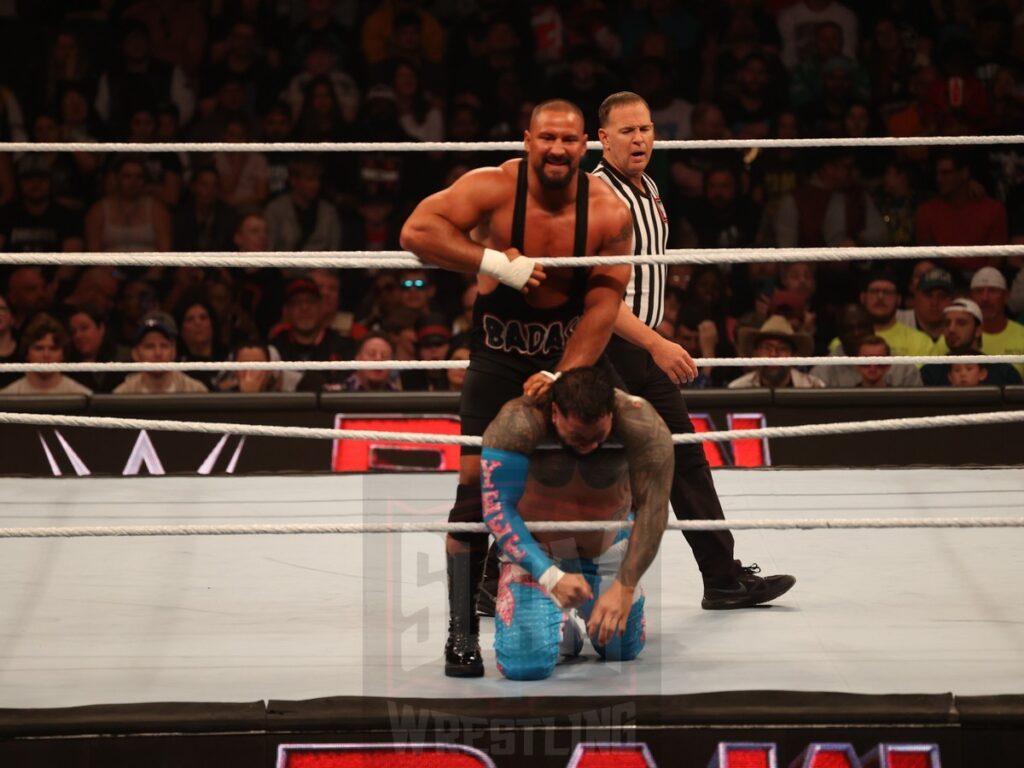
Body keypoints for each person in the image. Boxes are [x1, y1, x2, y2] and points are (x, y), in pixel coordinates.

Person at [399, 98, 635, 678]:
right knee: (471, 495)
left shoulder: (608, 211)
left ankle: (585, 589)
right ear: (527, 138)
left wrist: (563, 375)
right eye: (547, 138)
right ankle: (460, 635)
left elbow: (605, 303)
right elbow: (417, 231)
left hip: (567, 362)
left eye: (570, 141)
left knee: (594, 470)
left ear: (588, 146)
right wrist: (495, 263)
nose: (558, 149)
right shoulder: (493, 187)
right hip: (498, 359)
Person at [591, 92, 795, 609]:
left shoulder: (650, 187)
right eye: (627, 131)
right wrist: (659, 342)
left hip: (642, 348)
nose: (639, 139)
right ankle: (497, 577)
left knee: (686, 459)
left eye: (646, 128)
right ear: (603, 138)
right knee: (586, 470)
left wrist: (657, 337)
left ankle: (723, 578)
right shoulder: (594, 196)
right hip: (602, 351)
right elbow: (592, 296)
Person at [480, 367, 672, 680]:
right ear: (555, 412)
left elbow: (654, 507)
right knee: (524, 667)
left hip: (608, 546)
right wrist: (549, 575)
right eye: (577, 437)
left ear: (611, 412)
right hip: (540, 551)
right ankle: (556, 621)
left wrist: (625, 585)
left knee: (620, 652)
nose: (589, 447)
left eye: (598, 437)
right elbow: (496, 507)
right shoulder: (517, 423)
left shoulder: (641, 422)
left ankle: (606, 591)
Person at [922, 298, 1022, 387]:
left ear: (978, 330)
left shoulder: (1004, 373)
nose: (951, 329)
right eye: (947, 323)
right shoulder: (930, 373)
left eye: (961, 323)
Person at [113, 311, 207, 394]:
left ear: (173, 351)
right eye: (149, 346)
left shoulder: (195, 391)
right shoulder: (122, 393)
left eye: (164, 346)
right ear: (135, 353)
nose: (158, 353)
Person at [0, 313, 92, 396]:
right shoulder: (6, 397)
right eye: (39, 348)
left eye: (53, 349)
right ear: (27, 353)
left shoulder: (83, 396)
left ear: (63, 354)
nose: (46, 355)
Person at [730, 315, 826, 389]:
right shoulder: (738, 388)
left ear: (793, 355)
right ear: (756, 353)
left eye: (782, 348)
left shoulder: (813, 387)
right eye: (767, 348)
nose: (774, 354)